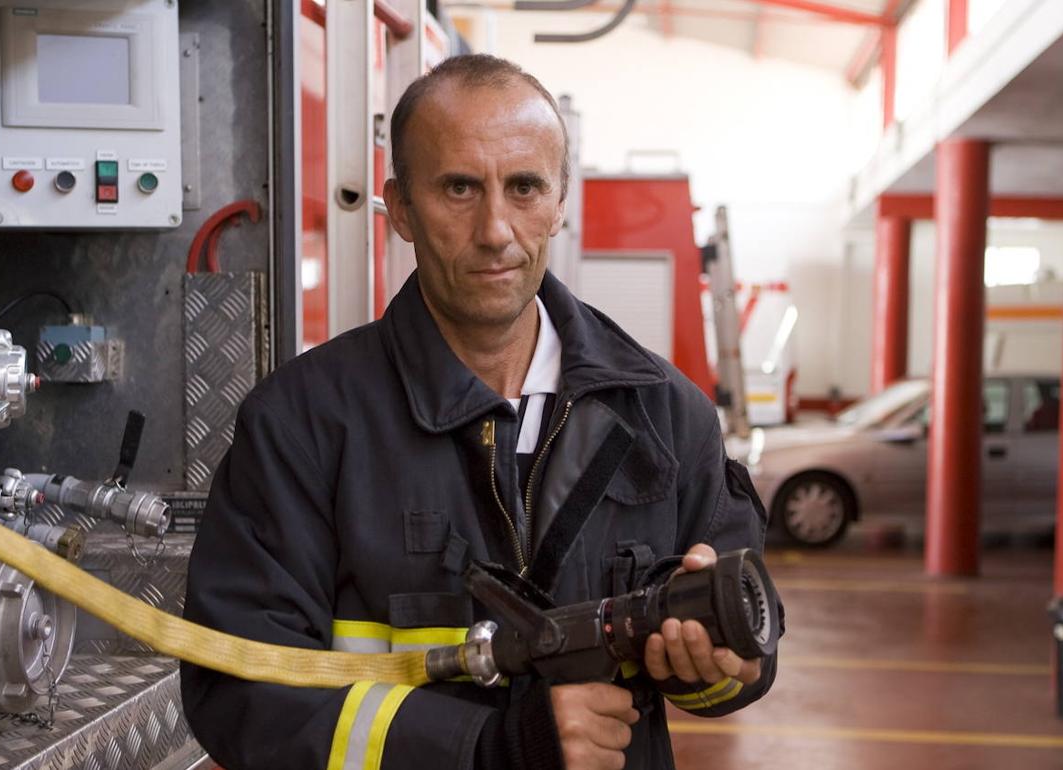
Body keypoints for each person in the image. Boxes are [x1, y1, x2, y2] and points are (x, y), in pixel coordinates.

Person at [181, 54, 778, 770]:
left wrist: (719, 663)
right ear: (399, 208)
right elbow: (243, 693)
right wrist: (486, 748)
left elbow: (745, 662)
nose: (496, 229)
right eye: (459, 188)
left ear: (560, 202)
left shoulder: (664, 412)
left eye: (524, 187)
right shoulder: (301, 424)